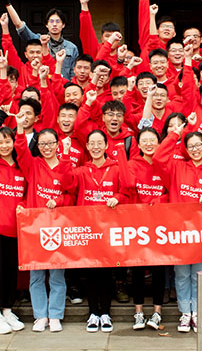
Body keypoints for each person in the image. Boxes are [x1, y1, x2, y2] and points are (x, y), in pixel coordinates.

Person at [153, 124, 202, 333]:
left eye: (198, 145)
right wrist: (175, 133)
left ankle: (199, 313)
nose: (195, 149)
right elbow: (158, 158)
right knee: (182, 274)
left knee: (200, 274)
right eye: (190, 146)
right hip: (180, 232)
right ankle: (185, 313)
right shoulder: (177, 168)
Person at [59, 130, 128, 333]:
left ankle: (105, 313)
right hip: (87, 230)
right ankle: (93, 313)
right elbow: (67, 184)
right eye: (92, 143)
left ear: (106, 146)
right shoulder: (81, 170)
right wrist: (64, 155)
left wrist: (118, 198)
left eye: (100, 143)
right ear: (87, 147)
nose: (96, 147)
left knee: (106, 273)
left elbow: (126, 190)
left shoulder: (115, 169)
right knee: (89, 273)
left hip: (108, 229)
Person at [14, 114, 70, 333]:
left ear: (57, 144)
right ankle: (41, 316)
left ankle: (55, 315)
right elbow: (20, 149)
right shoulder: (33, 165)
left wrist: (58, 200)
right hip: (34, 228)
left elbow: (70, 193)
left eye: (51, 143)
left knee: (57, 274)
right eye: (42, 143)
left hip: (57, 226)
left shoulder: (64, 165)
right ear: (37, 145)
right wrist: (19, 127)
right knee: (36, 274)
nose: (47, 147)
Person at [118, 127, 167, 331]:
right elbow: (127, 188)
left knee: (159, 269)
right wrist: (121, 154)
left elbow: (171, 190)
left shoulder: (165, 164)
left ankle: (157, 312)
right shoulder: (132, 164)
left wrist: (159, 200)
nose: (148, 144)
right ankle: (138, 312)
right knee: (137, 268)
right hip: (137, 224)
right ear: (138, 145)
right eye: (144, 140)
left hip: (160, 224)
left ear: (159, 142)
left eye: (152, 140)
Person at [0, 0, 78, 80]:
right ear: (46, 24)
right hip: (39, 84)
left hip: (62, 89)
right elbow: (19, 24)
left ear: (63, 25)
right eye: (51, 21)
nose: (54, 24)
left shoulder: (72, 47)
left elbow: (74, 74)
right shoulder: (37, 40)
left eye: (58, 21)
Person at [0, 127, 26, 334]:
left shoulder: (21, 168)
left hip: (16, 229)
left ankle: (7, 310)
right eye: (0, 142)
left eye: (7, 141)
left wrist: (24, 204)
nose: (4, 146)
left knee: (10, 272)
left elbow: (27, 194)